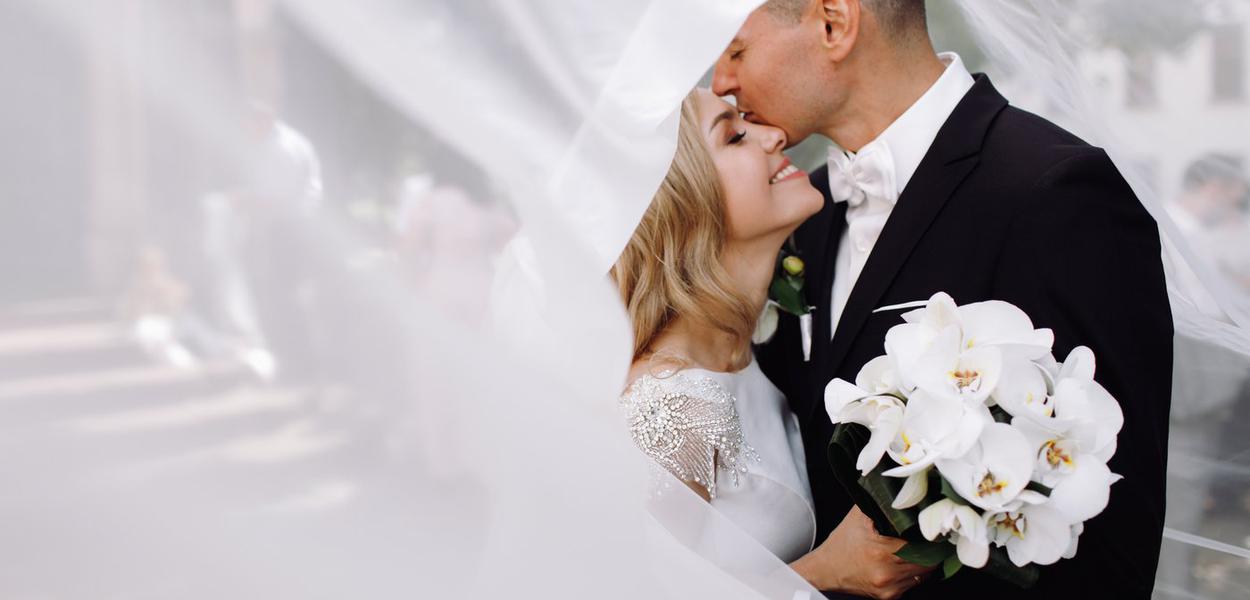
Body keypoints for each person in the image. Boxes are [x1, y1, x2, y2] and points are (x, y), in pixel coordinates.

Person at [716, 1, 1172, 598]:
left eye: (736, 51)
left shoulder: (1053, 192)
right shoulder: (806, 211)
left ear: (834, 23)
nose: (722, 82)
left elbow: (1112, 529)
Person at [613, 88, 931, 598]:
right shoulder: (669, 410)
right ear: (686, 204)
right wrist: (825, 572)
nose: (774, 134)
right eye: (736, 135)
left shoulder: (745, 359)